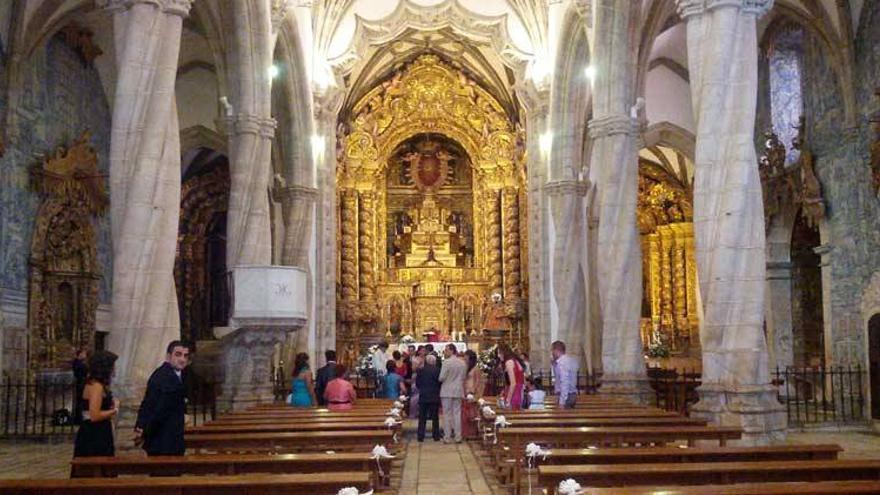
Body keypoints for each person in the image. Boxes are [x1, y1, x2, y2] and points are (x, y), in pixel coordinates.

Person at [134, 341, 190, 456]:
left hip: (166, 438)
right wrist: (145, 433)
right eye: (178, 354)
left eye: (185, 356)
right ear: (168, 356)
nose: (182, 359)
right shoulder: (167, 378)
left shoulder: (167, 374)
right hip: (165, 441)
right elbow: (158, 411)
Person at [73, 350, 119, 457]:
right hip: (94, 433)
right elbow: (94, 415)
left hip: (101, 431)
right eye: (113, 366)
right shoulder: (96, 386)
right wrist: (114, 410)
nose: (114, 369)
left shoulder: (99, 385)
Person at [438, 343, 467, 443]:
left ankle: (447, 437)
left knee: (447, 414)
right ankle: (458, 436)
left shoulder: (446, 362)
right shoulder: (462, 363)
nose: (445, 352)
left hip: (447, 390)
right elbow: (463, 377)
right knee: (457, 414)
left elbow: (441, 377)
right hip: (458, 389)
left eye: (446, 350)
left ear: (451, 351)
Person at [416, 354, 442, 442]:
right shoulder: (438, 370)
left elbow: (417, 384)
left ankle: (420, 436)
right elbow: (440, 383)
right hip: (434, 396)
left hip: (423, 395)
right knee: (435, 417)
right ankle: (436, 435)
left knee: (422, 417)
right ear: (434, 362)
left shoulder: (420, 370)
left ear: (426, 361)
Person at [461, 349, 484, 439]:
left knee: (472, 413)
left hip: (472, 392)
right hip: (466, 391)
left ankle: (472, 432)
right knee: (465, 414)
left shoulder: (476, 368)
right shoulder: (466, 367)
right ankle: (466, 433)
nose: (465, 360)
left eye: (467, 359)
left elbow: (478, 381)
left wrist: (474, 392)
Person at [551, 340, 579, 408]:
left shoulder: (562, 363)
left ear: (556, 350)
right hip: (571, 394)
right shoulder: (570, 360)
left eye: (552, 350)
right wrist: (554, 365)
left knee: (562, 416)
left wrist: (562, 402)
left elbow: (565, 382)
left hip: (567, 396)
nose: (551, 353)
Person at [498, 344, 524, 410]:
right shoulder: (514, 360)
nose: (498, 355)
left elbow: (513, 383)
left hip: (513, 394)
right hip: (517, 392)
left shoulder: (509, 362)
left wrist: (508, 400)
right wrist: (503, 392)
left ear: (504, 353)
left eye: (499, 353)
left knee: (511, 416)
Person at [71, 347, 88, 424]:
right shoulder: (78, 363)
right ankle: (78, 418)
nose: (85, 355)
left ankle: (79, 417)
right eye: (83, 353)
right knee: (79, 401)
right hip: (80, 383)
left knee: (80, 401)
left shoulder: (79, 363)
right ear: (80, 354)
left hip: (81, 383)